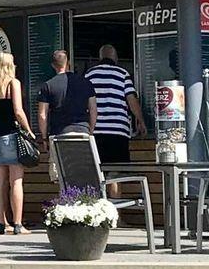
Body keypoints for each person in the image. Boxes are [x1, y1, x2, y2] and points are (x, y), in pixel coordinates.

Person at [0, 49, 29, 234]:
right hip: (12, 135)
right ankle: (18, 224)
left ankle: (2, 224)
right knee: (16, 181)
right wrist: (28, 130)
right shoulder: (13, 83)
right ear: (9, 65)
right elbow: (18, 111)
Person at [85, 44, 144, 175]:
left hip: (96, 130)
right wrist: (141, 121)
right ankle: (115, 189)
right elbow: (131, 100)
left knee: (97, 172)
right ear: (115, 57)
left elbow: (84, 100)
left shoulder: (90, 74)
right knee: (116, 173)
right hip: (118, 130)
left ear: (100, 58)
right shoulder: (122, 74)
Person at [37, 49, 92, 142]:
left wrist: (44, 137)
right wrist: (90, 131)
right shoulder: (86, 83)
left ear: (53, 65)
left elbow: (42, 114)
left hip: (59, 133)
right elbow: (93, 110)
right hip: (83, 131)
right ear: (68, 63)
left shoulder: (48, 85)